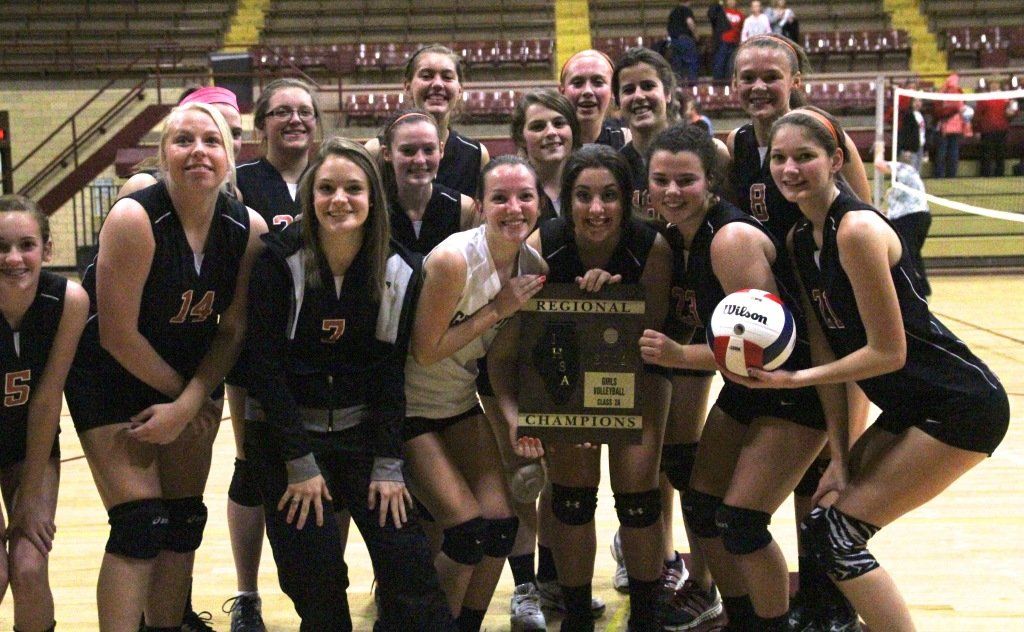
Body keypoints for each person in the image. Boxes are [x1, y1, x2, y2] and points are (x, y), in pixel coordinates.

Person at [741, 105, 1010, 632]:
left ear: (836, 159)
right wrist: (838, 458)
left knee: (838, 536)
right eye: (779, 158)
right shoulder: (801, 240)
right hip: (912, 406)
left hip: (960, 404)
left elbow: (889, 354)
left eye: (805, 156)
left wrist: (793, 379)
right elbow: (825, 350)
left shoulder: (857, 230)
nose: (790, 169)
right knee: (825, 523)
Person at [64, 102, 267, 632]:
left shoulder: (247, 228)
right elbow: (116, 333)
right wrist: (185, 399)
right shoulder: (136, 217)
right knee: (139, 525)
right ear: (163, 155)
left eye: (211, 140)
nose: (198, 150)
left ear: (230, 158)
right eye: (183, 140)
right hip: (108, 374)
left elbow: (232, 328)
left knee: (182, 523)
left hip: (187, 379)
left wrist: (189, 403)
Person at [242, 137, 453, 631]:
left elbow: (388, 374)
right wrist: (299, 463)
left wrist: (388, 463)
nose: (339, 200)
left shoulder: (398, 269)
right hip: (288, 444)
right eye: (327, 188)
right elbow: (265, 373)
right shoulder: (278, 262)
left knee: (410, 571)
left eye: (353, 189)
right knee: (315, 585)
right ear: (310, 197)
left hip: (362, 440)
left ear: (374, 198)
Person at [639, 123, 837, 632]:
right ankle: (740, 615)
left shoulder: (729, 239)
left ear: (711, 182)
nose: (672, 191)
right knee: (704, 504)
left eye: (686, 180)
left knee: (744, 523)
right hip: (747, 391)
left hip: (791, 392)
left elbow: (765, 350)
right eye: (661, 179)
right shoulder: (682, 237)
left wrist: (680, 354)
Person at [492, 144, 673, 632]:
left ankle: (649, 617)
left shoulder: (650, 245)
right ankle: (575, 616)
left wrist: (613, 301)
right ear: (567, 199)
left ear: (627, 199)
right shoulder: (541, 246)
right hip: (561, 376)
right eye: (584, 196)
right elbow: (520, 343)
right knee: (571, 497)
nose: (597, 210)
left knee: (639, 499)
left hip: (639, 375)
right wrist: (577, 405)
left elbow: (652, 340)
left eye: (609, 196)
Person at [724, 33, 871, 631]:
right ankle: (809, 603)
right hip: (780, 332)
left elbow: (862, 227)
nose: (758, 86)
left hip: (835, 327)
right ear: (734, 84)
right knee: (790, 478)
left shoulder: (823, 137)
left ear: (796, 81)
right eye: (747, 76)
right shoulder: (737, 145)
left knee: (829, 475)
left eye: (770, 76)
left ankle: (830, 609)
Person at [402, 156, 546, 632]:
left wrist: (511, 418)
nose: (514, 207)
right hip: (407, 410)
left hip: (460, 404)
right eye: (500, 198)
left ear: (539, 203)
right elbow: (425, 351)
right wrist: (498, 308)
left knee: (502, 528)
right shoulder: (453, 260)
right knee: (466, 535)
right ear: (480, 206)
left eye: (524, 196)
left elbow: (500, 362)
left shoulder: (533, 266)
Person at [612, 47, 723, 614]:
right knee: (647, 464)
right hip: (635, 318)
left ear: (669, 91)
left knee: (682, 458)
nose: (638, 97)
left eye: (647, 86)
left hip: (690, 317)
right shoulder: (612, 159)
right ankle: (660, 563)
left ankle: (704, 583)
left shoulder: (705, 150)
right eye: (627, 88)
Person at [221, 76, 323, 632]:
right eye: (281, 111)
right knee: (249, 470)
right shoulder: (239, 183)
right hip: (259, 348)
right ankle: (246, 594)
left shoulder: (332, 173)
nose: (294, 120)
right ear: (261, 126)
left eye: (304, 111)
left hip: (321, 350)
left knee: (324, 460)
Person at [0, 195, 88, 632]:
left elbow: (48, 398)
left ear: (47, 250)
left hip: (27, 443)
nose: (14, 258)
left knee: (30, 566)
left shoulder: (68, 300)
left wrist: (30, 497)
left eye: (26, 244)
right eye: (1, 247)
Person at [367, 44, 490, 198]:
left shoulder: (476, 156)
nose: (438, 84)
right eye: (426, 76)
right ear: (407, 87)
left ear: (460, 90)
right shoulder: (376, 151)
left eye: (447, 77)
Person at [118, 86, 245, 202]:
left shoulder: (233, 195)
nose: (228, 142)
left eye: (235, 134)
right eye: (213, 136)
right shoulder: (143, 187)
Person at [378, 108, 476, 256]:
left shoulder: (464, 209)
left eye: (429, 150)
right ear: (387, 153)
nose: (419, 160)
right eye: (408, 151)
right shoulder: (375, 210)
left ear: (441, 150)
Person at [511, 90, 582, 222]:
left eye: (559, 123)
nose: (551, 132)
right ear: (521, 138)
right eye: (538, 127)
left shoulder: (589, 186)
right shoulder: (511, 193)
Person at [873, 142, 932, 297]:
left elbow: (879, 164)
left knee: (906, 253)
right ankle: (921, 287)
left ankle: (912, 289)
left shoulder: (903, 168)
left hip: (911, 217)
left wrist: (879, 149)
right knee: (913, 253)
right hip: (922, 217)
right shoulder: (906, 180)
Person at [558, 49, 631, 149]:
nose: (587, 91)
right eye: (577, 83)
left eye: (598, 82)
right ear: (562, 92)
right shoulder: (551, 144)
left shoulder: (627, 141)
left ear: (613, 90)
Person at [975, 79, 1019, 177]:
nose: (994, 85)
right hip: (987, 130)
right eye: (992, 83)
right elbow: (978, 114)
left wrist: (1013, 112)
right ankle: (985, 174)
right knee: (986, 154)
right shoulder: (984, 97)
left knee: (1000, 153)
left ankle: (999, 174)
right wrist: (977, 130)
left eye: (996, 83)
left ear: (999, 85)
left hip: (1001, 129)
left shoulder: (1006, 97)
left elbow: (1014, 110)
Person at [933, 73, 966, 178]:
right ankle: (950, 175)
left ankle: (941, 175)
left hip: (947, 127)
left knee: (945, 152)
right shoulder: (958, 93)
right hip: (952, 127)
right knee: (950, 152)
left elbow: (938, 110)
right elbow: (962, 110)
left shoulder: (942, 92)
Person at [667, 0, 700, 83]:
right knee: (691, 63)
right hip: (685, 39)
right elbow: (689, 22)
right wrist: (696, 34)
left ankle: (678, 87)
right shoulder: (686, 9)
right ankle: (692, 86)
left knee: (677, 65)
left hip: (674, 41)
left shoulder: (673, 12)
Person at [707, 0, 732, 81]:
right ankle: (718, 83)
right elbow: (712, 16)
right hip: (720, 40)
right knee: (719, 63)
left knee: (725, 63)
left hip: (724, 39)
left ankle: (724, 83)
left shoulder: (720, 8)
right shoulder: (715, 7)